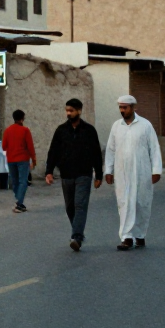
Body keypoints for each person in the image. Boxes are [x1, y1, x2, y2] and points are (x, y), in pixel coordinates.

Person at [44, 98, 104, 251]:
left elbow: (96, 153)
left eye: (71, 110)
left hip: (84, 174)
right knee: (70, 207)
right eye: (67, 110)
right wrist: (49, 172)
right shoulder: (61, 130)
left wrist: (99, 175)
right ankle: (78, 232)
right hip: (66, 174)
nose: (68, 113)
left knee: (80, 205)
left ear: (79, 111)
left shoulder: (89, 131)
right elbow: (53, 152)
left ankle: (76, 236)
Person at [104, 94, 163, 251]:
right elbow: (110, 150)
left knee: (142, 203)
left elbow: (154, 148)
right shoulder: (116, 126)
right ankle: (126, 237)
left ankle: (140, 234)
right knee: (124, 203)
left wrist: (156, 170)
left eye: (125, 107)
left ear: (133, 108)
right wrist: (108, 171)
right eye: (120, 107)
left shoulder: (145, 125)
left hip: (142, 172)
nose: (122, 110)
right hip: (122, 173)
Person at [1, 110, 37, 213]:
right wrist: (34, 159)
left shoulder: (7, 130)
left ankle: (19, 201)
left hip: (11, 159)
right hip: (23, 159)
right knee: (23, 181)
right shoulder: (25, 130)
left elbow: (4, 146)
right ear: (22, 118)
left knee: (15, 181)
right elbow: (30, 147)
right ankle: (18, 202)